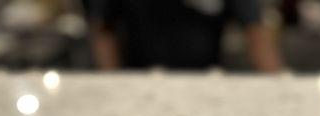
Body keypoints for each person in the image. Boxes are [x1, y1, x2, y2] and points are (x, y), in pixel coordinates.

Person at [84, 0, 282, 72]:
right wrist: (112, 80)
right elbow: (103, 29)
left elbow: (255, 30)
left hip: (207, 78)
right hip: (140, 77)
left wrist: (279, 84)